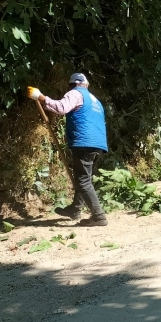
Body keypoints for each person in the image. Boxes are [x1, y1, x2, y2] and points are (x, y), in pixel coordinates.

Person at [27, 73, 109, 227]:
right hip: (99, 144)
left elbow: (61, 107)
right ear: (86, 84)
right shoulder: (95, 100)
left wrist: (40, 97)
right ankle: (75, 209)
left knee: (83, 181)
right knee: (85, 179)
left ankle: (99, 216)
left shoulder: (76, 93)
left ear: (73, 85)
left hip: (85, 142)